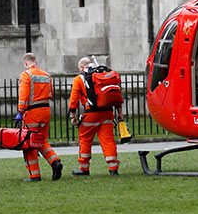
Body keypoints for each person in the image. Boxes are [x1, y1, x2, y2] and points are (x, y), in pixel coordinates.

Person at [68, 58, 121, 177]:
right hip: (107, 112)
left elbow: (74, 99)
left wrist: (73, 115)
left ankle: (84, 168)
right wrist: (120, 115)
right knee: (108, 140)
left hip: (91, 114)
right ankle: (113, 168)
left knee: (85, 139)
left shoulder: (79, 79)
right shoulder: (104, 74)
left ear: (82, 67)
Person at [16, 53, 63, 181]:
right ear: (35, 62)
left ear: (26, 63)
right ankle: (55, 162)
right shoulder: (46, 75)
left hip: (32, 112)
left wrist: (21, 111)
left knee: (29, 143)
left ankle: (34, 175)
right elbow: (51, 93)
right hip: (45, 110)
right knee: (41, 140)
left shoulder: (26, 75)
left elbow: (24, 95)